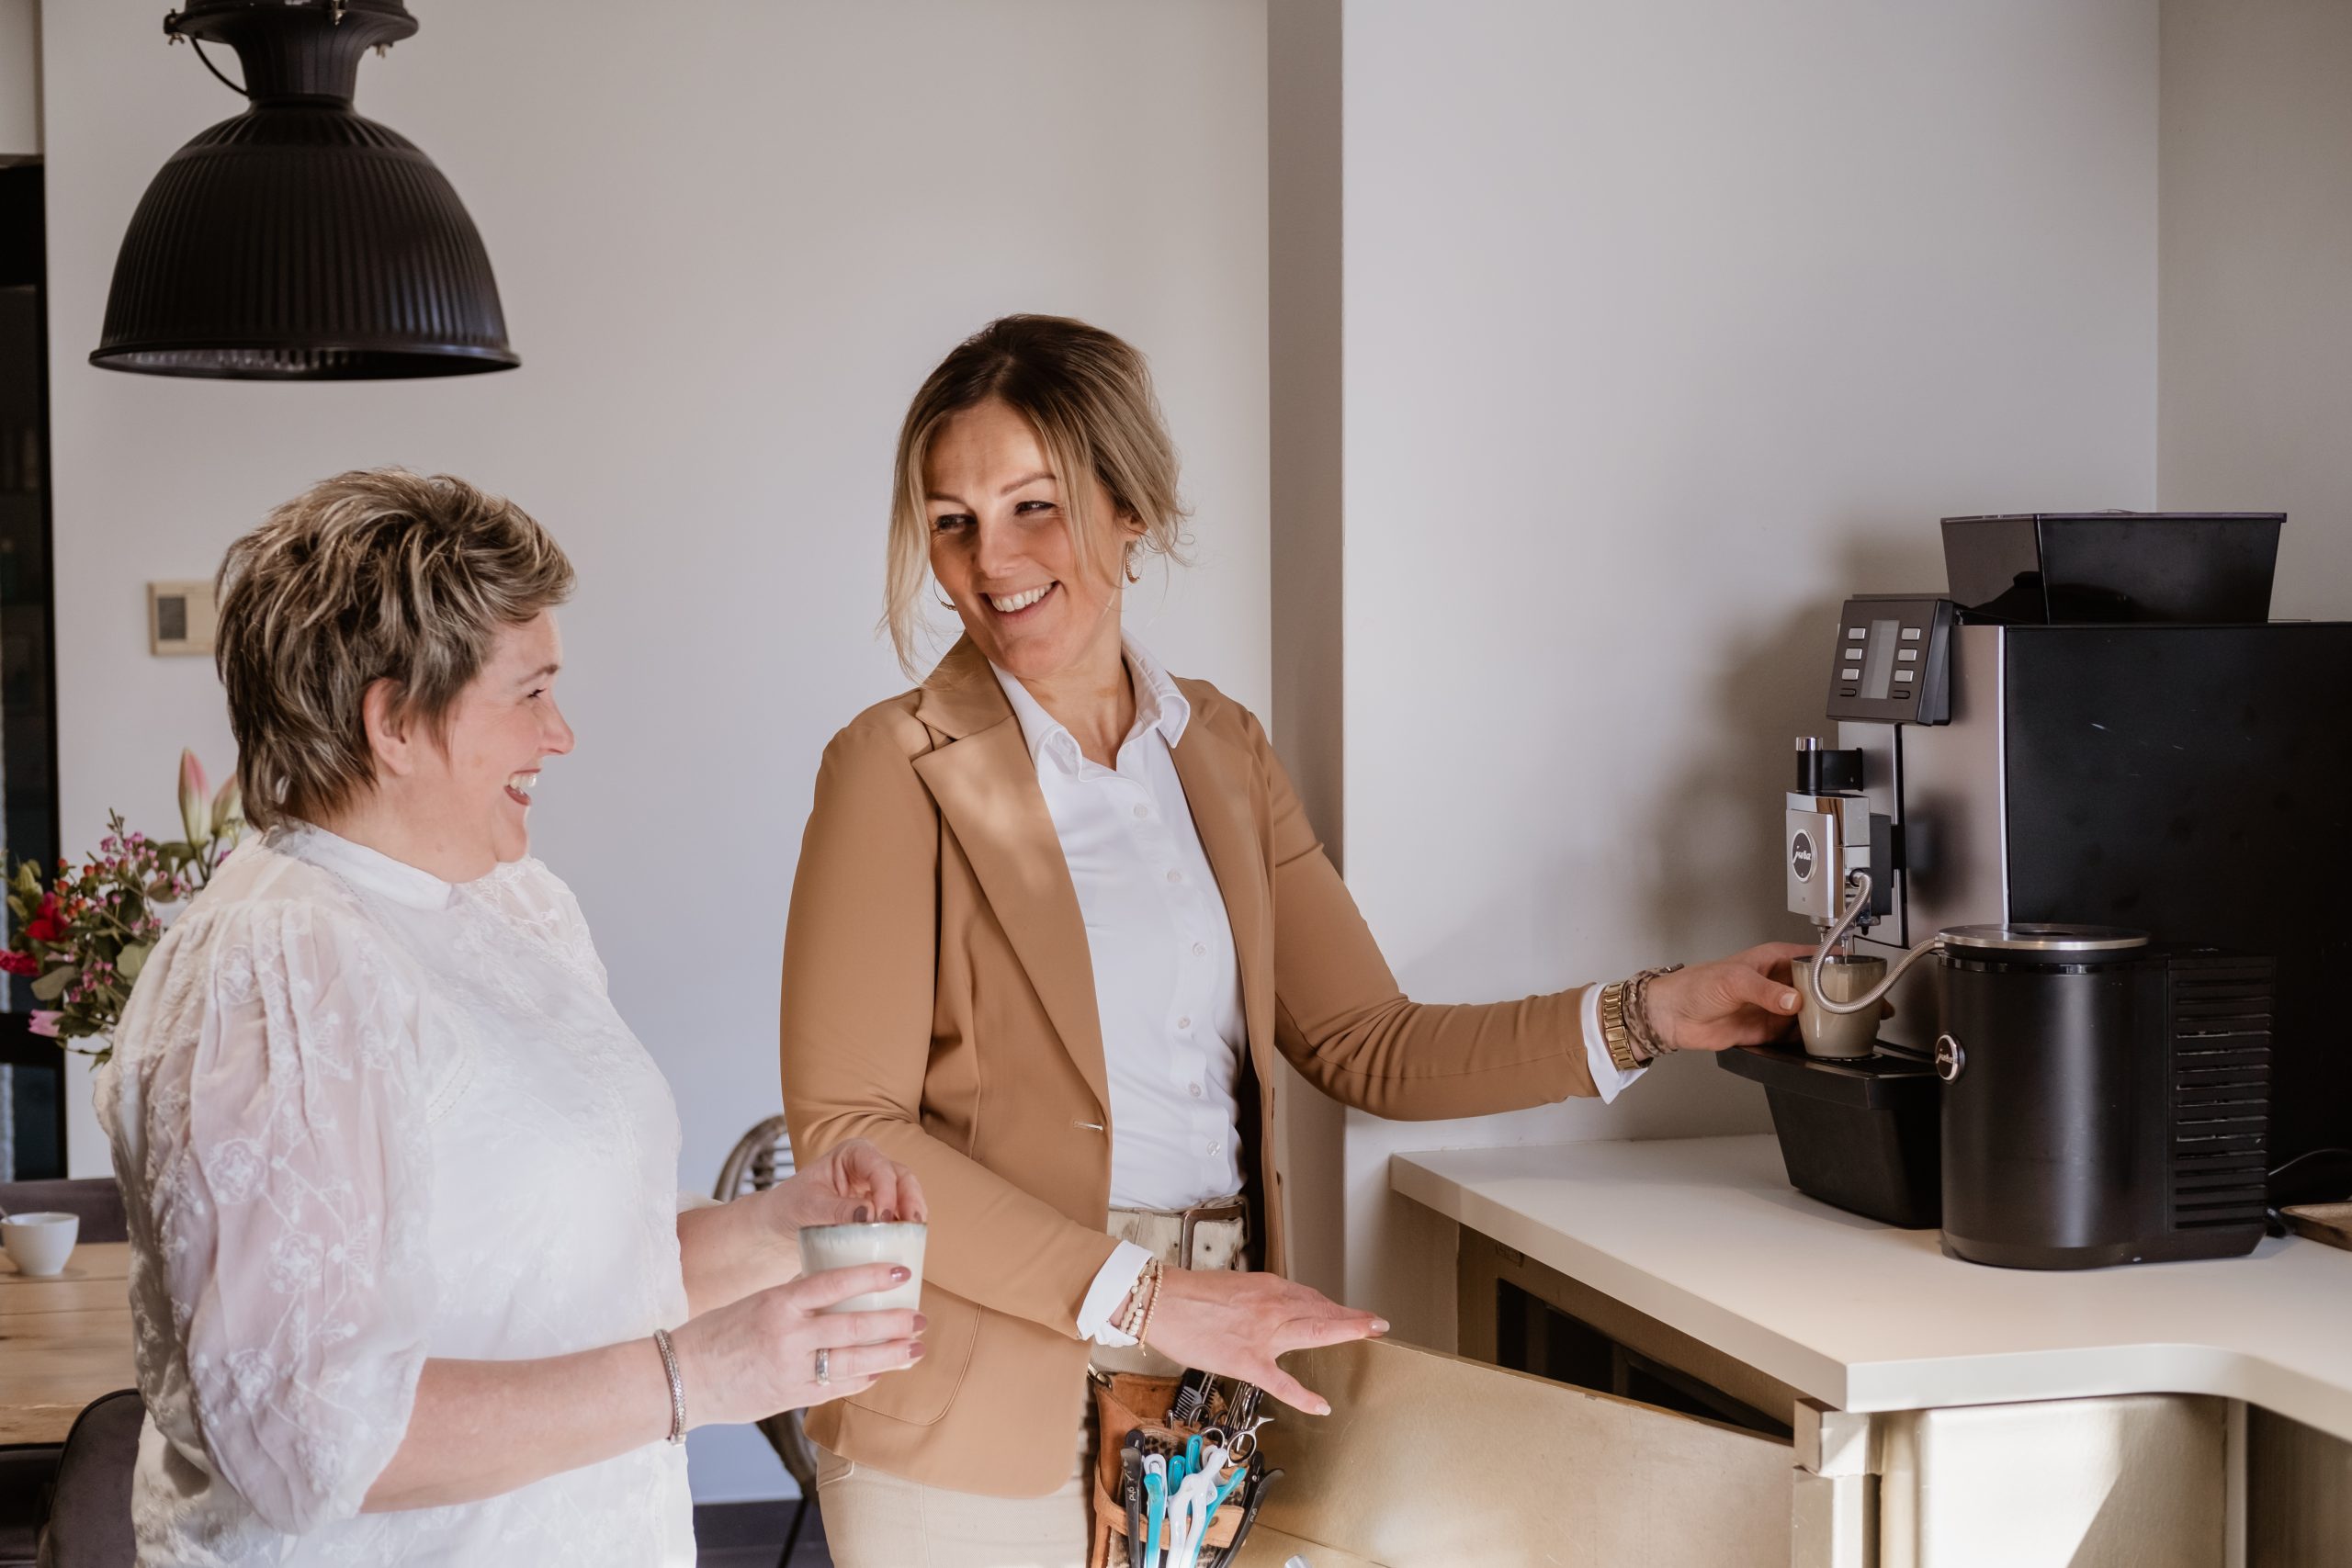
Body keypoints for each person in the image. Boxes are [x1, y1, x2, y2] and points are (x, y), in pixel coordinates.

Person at [778, 314, 1813, 1566]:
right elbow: (854, 1128)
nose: (992, 559)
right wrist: (1145, 1294)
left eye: (1033, 505)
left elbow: (1367, 1041)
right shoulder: (891, 768)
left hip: (1207, 1374)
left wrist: (1653, 1011)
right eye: (953, 521)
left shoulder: (1221, 750)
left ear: (1129, 510)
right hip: (971, 1402)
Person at [96, 469, 928, 1567]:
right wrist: (701, 1376)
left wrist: (777, 1232)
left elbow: (571, 1270)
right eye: (528, 693)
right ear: (393, 721)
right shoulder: (278, 962)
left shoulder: (512, 907)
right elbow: (305, 1437)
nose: (564, 734)